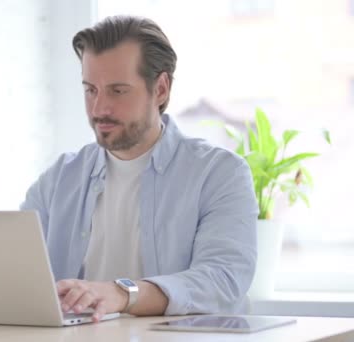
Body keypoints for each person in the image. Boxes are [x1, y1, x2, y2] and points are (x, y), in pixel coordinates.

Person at [20, 15, 258, 322]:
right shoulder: (59, 179)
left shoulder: (219, 174)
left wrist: (122, 294)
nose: (99, 108)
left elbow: (222, 280)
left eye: (118, 91)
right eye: (91, 89)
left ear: (160, 89)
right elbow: (17, 274)